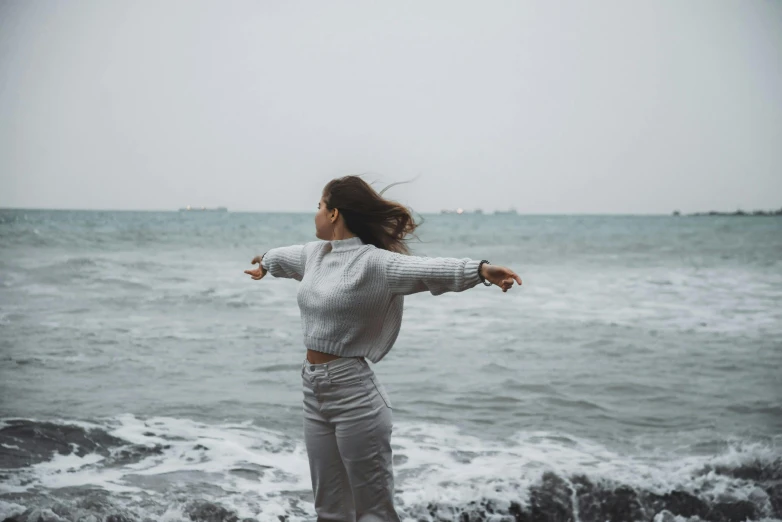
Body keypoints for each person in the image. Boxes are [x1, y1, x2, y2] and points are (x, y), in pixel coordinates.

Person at [244, 175, 522, 522]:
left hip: (355, 395)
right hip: (313, 390)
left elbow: (427, 270)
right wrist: (265, 263)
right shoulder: (315, 255)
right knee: (329, 510)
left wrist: (480, 270)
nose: (314, 213)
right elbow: (282, 257)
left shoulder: (374, 263)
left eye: (319, 206)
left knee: (374, 512)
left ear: (333, 214)